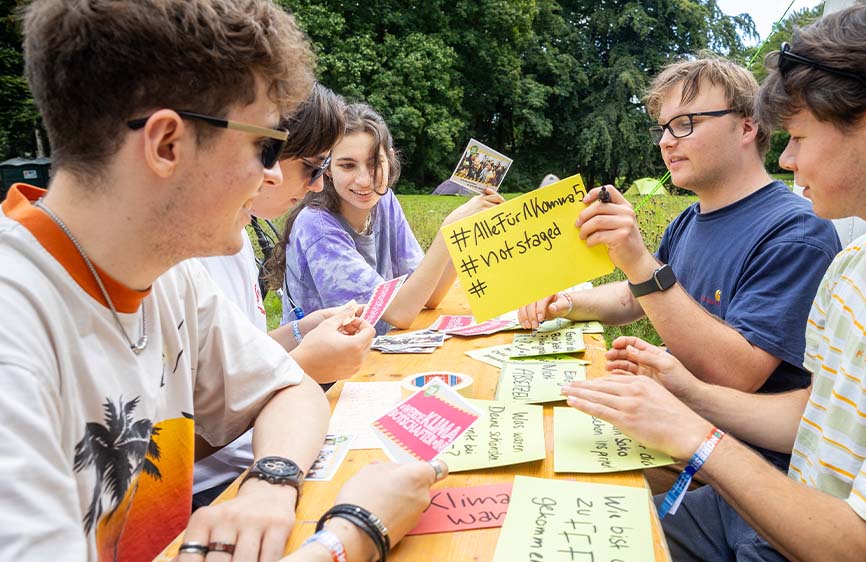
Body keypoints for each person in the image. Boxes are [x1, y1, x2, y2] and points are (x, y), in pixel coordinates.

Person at [0, 2, 441, 561]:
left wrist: (271, 483)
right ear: (167, 145)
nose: (276, 176)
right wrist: (350, 536)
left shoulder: (164, 273)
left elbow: (289, 388)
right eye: (266, 146)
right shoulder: (15, 335)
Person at [562, 1, 866, 560]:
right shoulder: (858, 260)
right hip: (769, 505)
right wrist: (683, 392)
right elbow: (815, 414)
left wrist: (696, 437)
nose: (786, 158)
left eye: (798, 135)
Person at [520, 56, 841, 467]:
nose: (666, 141)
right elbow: (638, 296)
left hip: (735, 462)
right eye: (664, 127)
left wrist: (637, 260)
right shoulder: (691, 218)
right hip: (672, 423)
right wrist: (568, 302)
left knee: (551, 467)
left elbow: (737, 374)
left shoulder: (795, 232)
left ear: (747, 126)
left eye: (686, 123)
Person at [193, 83, 377, 508]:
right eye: (316, 168)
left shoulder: (232, 237)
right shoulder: (183, 257)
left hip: (266, 453)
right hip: (218, 481)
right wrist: (301, 367)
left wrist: (298, 331)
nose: (317, 186)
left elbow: (233, 362)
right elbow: (177, 431)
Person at [271, 103, 503, 334]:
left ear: (389, 160)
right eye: (348, 165)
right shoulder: (316, 225)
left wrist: (461, 232)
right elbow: (400, 313)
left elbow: (428, 296)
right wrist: (448, 231)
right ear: (328, 168)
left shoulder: (384, 201)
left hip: (373, 352)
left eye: (374, 163)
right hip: (321, 366)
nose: (364, 180)